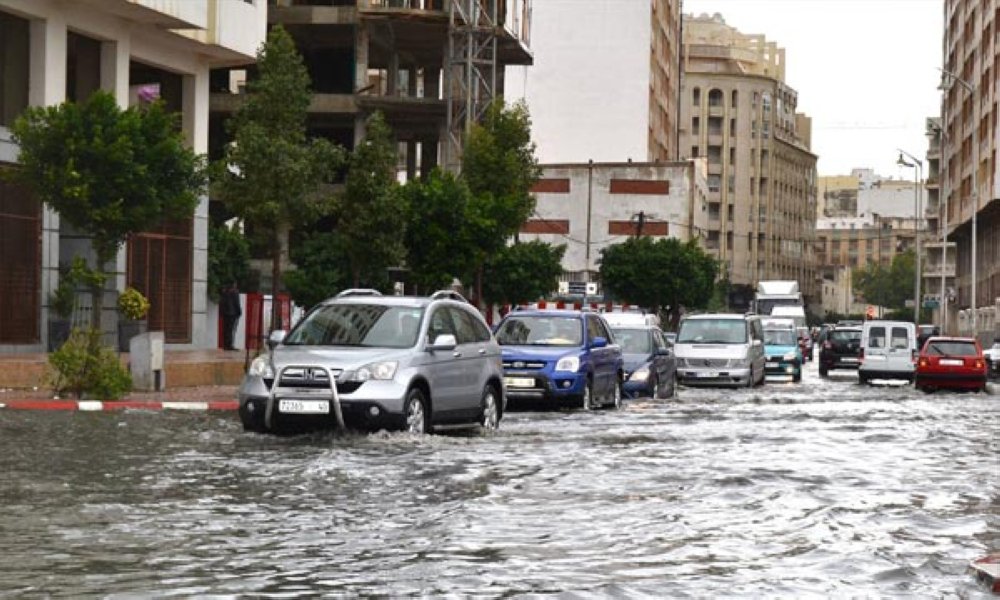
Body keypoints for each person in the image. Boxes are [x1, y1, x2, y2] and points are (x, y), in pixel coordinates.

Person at [221, 282, 242, 351]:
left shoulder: (224, 291)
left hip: (225, 313)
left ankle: (225, 345)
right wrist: (239, 312)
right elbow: (237, 303)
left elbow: (222, 302)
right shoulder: (235, 292)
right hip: (233, 313)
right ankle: (230, 345)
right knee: (231, 330)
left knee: (226, 329)